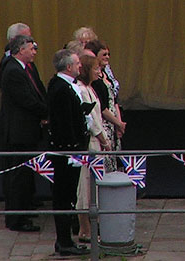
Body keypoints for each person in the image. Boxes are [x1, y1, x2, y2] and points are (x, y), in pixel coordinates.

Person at [0, 35, 47, 232]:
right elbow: (26, 100)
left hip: (27, 131)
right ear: (20, 50)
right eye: (31, 48)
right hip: (18, 132)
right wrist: (47, 112)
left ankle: (24, 210)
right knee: (18, 175)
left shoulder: (25, 68)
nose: (34, 51)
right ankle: (16, 219)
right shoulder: (13, 70)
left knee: (25, 174)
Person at [47, 49, 90, 256]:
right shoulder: (61, 88)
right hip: (66, 152)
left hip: (70, 150)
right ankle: (63, 242)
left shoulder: (65, 86)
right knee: (64, 196)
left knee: (68, 195)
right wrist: (73, 149)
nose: (80, 66)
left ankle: (65, 240)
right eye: (77, 63)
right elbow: (63, 123)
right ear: (69, 67)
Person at [75, 55, 111, 243]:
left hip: (97, 142)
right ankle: (85, 229)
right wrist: (103, 139)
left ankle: (88, 227)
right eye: (96, 69)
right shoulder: (82, 90)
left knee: (92, 185)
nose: (99, 72)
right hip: (91, 144)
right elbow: (91, 120)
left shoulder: (89, 88)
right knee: (86, 186)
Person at [85, 40, 126, 172]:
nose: (107, 57)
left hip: (113, 122)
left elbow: (114, 99)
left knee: (115, 157)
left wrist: (119, 122)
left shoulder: (106, 73)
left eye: (109, 54)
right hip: (104, 123)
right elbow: (102, 107)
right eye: (104, 54)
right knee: (106, 160)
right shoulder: (94, 78)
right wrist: (117, 122)